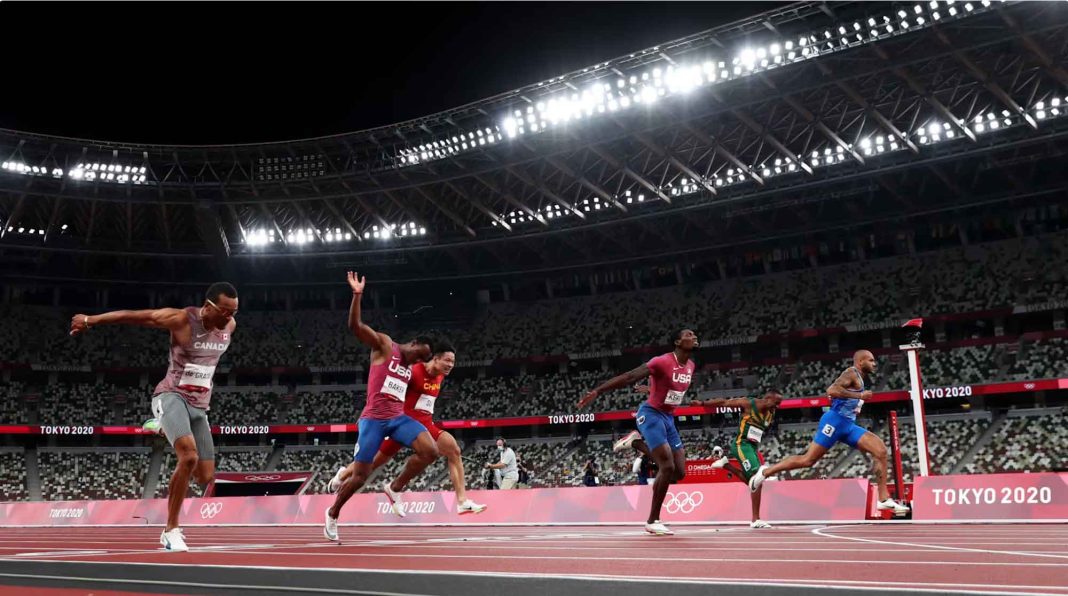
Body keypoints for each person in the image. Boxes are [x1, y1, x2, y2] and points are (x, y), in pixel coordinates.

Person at [70, 282, 239, 552]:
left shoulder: (228, 327)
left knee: (205, 476)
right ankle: (171, 529)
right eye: (225, 312)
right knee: (189, 457)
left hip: (199, 407)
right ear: (208, 307)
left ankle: (162, 427)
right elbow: (137, 316)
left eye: (234, 313)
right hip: (171, 396)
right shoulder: (182, 319)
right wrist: (91, 320)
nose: (230, 318)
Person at [324, 272, 439, 541]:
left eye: (421, 360)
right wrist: (357, 295)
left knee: (431, 450)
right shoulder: (386, 346)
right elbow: (356, 326)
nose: (416, 362)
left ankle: (395, 487)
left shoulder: (411, 369)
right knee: (361, 477)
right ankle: (333, 512)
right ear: (413, 343)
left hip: (397, 420)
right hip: (373, 421)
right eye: (418, 355)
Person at [328, 340, 486, 514]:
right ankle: (342, 475)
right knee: (371, 464)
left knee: (453, 450)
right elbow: (390, 389)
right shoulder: (414, 371)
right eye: (447, 361)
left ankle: (462, 501)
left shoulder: (440, 376)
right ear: (435, 359)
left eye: (453, 362)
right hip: (400, 425)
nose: (450, 365)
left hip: (424, 426)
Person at [748, 351, 910, 514]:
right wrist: (860, 395)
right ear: (860, 362)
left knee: (880, 450)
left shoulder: (860, 377)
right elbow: (832, 390)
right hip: (834, 422)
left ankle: (883, 500)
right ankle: (766, 472)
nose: (875, 363)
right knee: (807, 460)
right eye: (871, 360)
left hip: (848, 425)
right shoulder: (851, 373)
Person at [578, 329, 699, 535]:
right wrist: (598, 391)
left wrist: (651, 389)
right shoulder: (661, 361)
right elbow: (630, 376)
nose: (694, 336)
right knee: (666, 466)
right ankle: (653, 520)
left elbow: (668, 389)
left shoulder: (690, 366)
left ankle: (635, 442)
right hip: (651, 415)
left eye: (695, 334)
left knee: (678, 472)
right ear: (678, 341)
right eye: (689, 334)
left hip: (668, 419)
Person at [692, 389, 783, 528]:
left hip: (752, 448)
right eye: (776, 403)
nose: (777, 407)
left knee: (753, 482)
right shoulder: (749, 403)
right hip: (741, 445)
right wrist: (702, 403)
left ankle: (726, 464)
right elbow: (724, 401)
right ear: (768, 398)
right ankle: (755, 520)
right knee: (756, 478)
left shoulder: (772, 412)